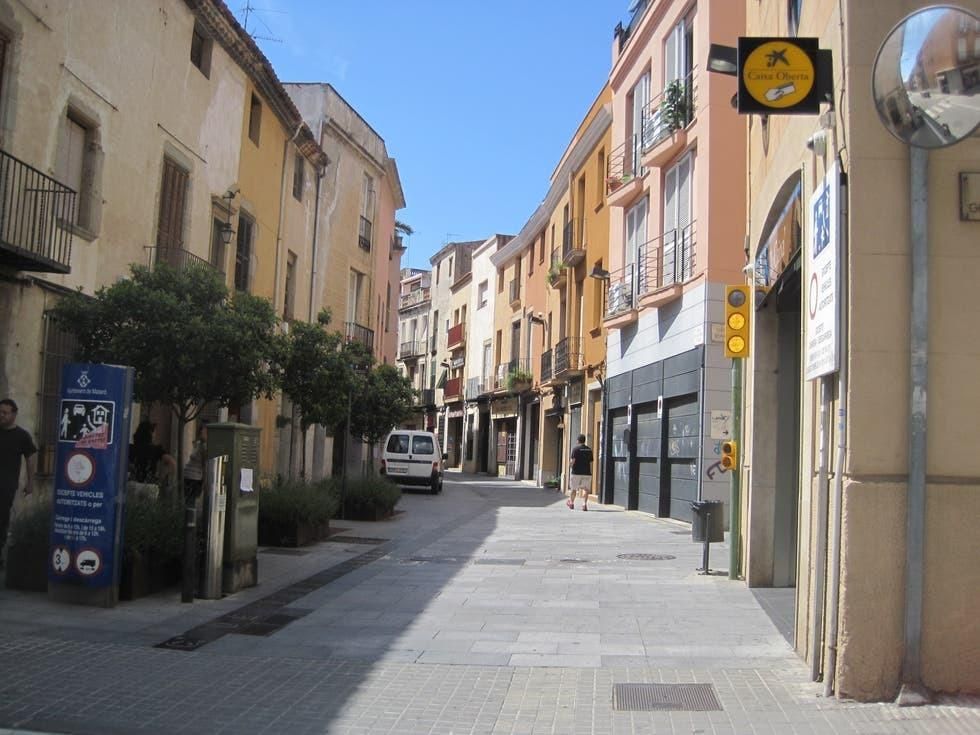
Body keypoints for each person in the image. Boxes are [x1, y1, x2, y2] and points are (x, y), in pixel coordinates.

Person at [0, 399, 37, 566]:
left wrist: (30, 483)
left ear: (14, 415)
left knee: (1, 520)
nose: (1, 415)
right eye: (0, 412)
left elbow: (30, 458)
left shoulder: (22, 436)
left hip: (5, 487)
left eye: (5, 413)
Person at [129, 420, 176, 486]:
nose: (155, 435)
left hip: (132, 485)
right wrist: (160, 478)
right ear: (150, 433)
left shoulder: (130, 448)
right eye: (154, 432)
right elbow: (172, 463)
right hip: (148, 485)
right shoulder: (155, 450)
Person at [567, 433, 593, 511]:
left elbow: (573, 461)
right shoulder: (589, 449)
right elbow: (591, 462)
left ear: (578, 441)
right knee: (586, 489)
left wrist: (570, 466)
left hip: (576, 472)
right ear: (584, 441)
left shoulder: (575, 449)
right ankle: (584, 504)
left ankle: (571, 503)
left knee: (573, 489)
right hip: (587, 473)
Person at [182, 421, 208, 501]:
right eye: (200, 429)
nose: (201, 432)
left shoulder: (204, 447)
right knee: (186, 499)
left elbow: (204, 464)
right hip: (188, 475)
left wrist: (204, 481)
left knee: (191, 500)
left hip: (195, 478)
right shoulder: (198, 444)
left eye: (203, 430)